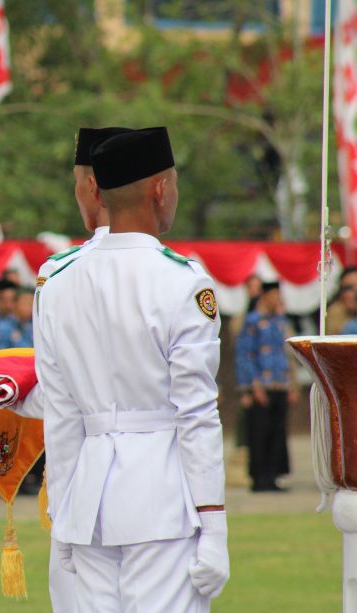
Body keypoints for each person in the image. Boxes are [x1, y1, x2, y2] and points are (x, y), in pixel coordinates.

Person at [36, 128, 228, 611]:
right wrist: (214, 524)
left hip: (87, 500)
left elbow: (60, 416)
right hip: (162, 499)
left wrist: (62, 516)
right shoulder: (182, 281)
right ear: (160, 188)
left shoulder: (58, 282)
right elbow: (196, 415)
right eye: (175, 185)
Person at [31, 126, 132, 612]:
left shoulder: (59, 273)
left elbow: (59, 400)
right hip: (167, 489)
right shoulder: (185, 273)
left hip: (88, 476)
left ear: (92, 187)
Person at [235, 281, 298, 492]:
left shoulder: (280, 321)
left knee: (277, 433)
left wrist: (292, 384)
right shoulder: (252, 321)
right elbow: (245, 354)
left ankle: (273, 476)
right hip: (261, 385)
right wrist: (252, 386)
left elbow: (286, 354)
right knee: (259, 433)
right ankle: (259, 478)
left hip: (280, 384)